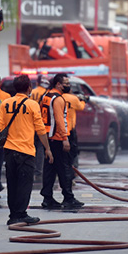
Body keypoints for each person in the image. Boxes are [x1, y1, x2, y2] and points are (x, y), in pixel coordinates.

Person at [0, 74, 53, 226]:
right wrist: (47, 149)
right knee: (25, 184)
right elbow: (40, 130)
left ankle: (13, 215)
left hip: (9, 151)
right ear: (29, 88)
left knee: (12, 183)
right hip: (26, 151)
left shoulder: (6, 103)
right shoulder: (32, 105)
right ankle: (21, 214)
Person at [40, 73, 84, 209]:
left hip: (48, 138)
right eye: (66, 83)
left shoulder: (46, 96)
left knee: (49, 169)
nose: (68, 85)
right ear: (58, 84)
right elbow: (60, 120)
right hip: (58, 138)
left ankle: (47, 198)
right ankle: (68, 198)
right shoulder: (58, 99)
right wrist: (65, 138)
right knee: (64, 169)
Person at [62, 82, 87, 170]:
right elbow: (81, 107)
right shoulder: (73, 99)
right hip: (70, 128)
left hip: (59, 129)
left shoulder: (58, 97)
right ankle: (72, 169)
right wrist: (83, 100)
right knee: (73, 151)